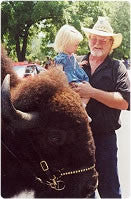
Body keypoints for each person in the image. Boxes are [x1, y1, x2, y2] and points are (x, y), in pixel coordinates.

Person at [73, 16, 130, 198]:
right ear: (89, 40)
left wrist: (91, 92)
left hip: (105, 139)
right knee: (81, 191)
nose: (97, 43)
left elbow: (125, 102)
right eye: (94, 38)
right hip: (77, 138)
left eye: (102, 40)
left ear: (111, 43)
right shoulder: (74, 62)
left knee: (110, 190)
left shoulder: (117, 67)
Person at [54, 24, 91, 118]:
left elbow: (72, 66)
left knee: (87, 94)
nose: (77, 47)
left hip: (76, 77)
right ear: (66, 43)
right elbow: (59, 72)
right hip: (70, 80)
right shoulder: (61, 58)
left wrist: (79, 64)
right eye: (75, 45)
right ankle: (81, 111)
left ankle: (83, 108)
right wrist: (63, 79)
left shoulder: (72, 56)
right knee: (75, 95)